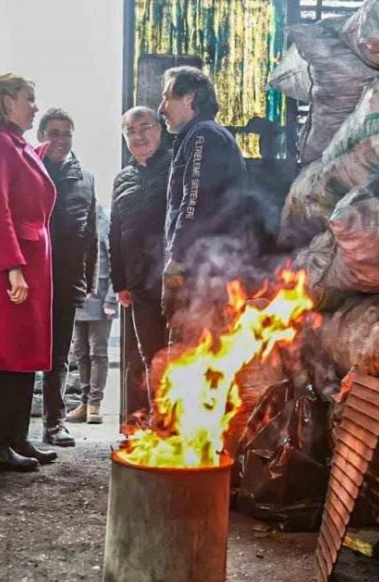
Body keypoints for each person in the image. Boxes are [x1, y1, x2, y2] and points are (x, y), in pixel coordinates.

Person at [0, 73, 59, 472]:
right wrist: (12, 269)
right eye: (29, 98)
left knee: (25, 350)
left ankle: (16, 435)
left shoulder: (18, 146)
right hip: (8, 261)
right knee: (5, 350)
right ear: (7, 102)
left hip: (28, 260)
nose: (35, 107)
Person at [157, 66, 249, 340]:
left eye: (167, 97)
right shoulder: (200, 136)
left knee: (193, 350)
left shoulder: (203, 136)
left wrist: (177, 258)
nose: (161, 108)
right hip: (208, 268)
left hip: (204, 273)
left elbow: (194, 200)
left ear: (189, 99)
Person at [37, 108, 98, 448]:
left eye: (66, 133)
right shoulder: (30, 171)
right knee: (23, 353)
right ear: (41, 136)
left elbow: (89, 235)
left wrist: (87, 280)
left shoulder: (85, 179)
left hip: (66, 279)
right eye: (53, 132)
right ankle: (11, 429)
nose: (60, 140)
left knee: (59, 355)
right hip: (30, 279)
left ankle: (54, 424)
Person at [109, 106, 171, 414]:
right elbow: (115, 233)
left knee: (180, 356)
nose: (138, 136)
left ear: (160, 129)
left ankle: (186, 428)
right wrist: (119, 281)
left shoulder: (177, 167)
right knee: (149, 358)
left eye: (144, 127)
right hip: (139, 285)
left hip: (175, 281)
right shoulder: (122, 178)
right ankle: (158, 424)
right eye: (130, 132)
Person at [66, 203, 118, 425]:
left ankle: (95, 403)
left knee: (98, 352)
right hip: (79, 297)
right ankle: (85, 402)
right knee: (80, 352)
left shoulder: (107, 221)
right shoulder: (75, 218)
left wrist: (111, 298)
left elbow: (116, 261)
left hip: (101, 297)